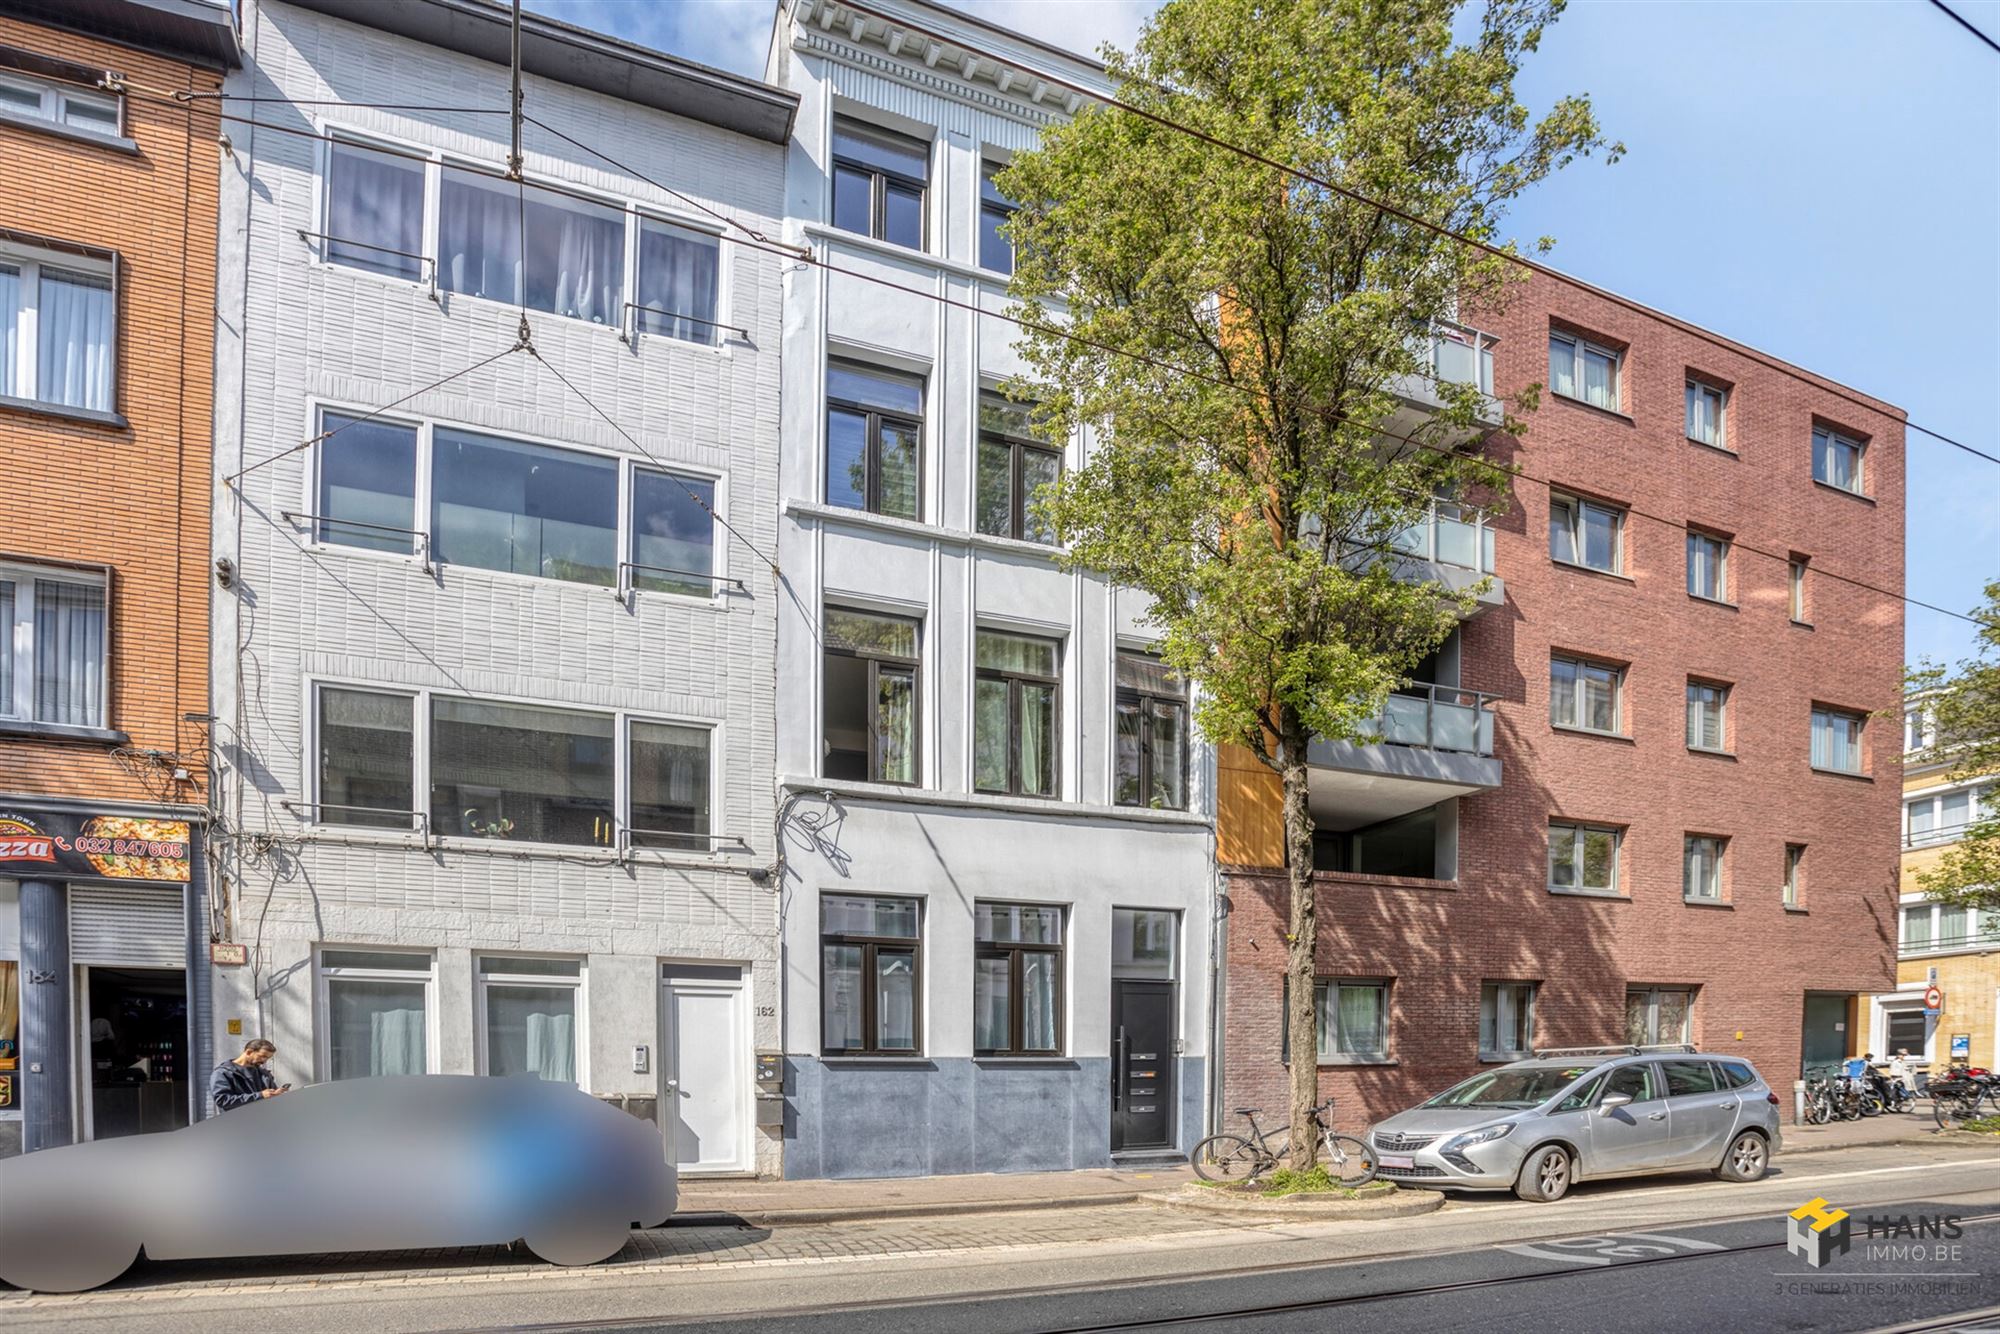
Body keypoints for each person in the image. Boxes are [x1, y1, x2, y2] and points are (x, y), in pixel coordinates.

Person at [209, 1038, 285, 1113]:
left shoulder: (264, 1074)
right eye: (262, 1056)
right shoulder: (222, 1073)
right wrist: (260, 1095)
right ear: (249, 1052)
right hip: (237, 1120)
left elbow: (270, 1097)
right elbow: (223, 1100)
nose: (264, 1061)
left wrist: (276, 1094)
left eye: (267, 1058)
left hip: (263, 1118)